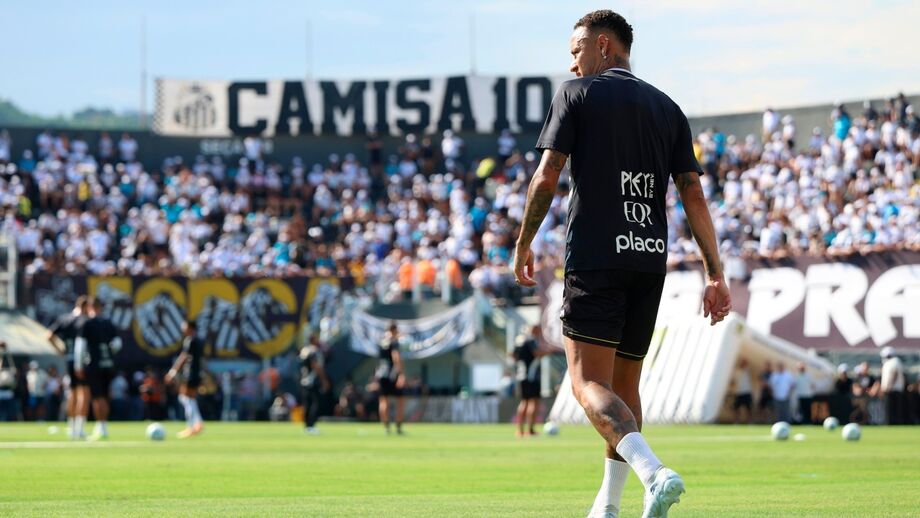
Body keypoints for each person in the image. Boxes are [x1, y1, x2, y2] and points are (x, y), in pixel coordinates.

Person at [512, 10, 731, 518]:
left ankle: (655, 473)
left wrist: (523, 244)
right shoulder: (668, 108)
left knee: (586, 384)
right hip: (648, 262)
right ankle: (608, 508)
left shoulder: (576, 95)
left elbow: (546, 177)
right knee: (623, 392)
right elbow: (693, 191)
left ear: (605, 46)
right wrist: (713, 272)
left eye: (576, 51)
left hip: (595, 258)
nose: (572, 64)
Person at [74, 298, 122, 441]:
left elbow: (80, 346)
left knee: (97, 397)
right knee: (105, 396)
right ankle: (103, 427)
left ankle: (101, 428)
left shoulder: (86, 323)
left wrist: (78, 365)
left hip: (94, 365)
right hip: (108, 365)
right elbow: (118, 344)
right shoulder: (108, 323)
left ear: (89, 307)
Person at [47, 296, 89, 437]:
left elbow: (49, 336)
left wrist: (60, 351)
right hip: (82, 361)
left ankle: (71, 428)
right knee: (83, 394)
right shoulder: (84, 321)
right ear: (85, 307)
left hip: (68, 359)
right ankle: (79, 429)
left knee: (72, 394)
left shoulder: (64, 319)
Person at [165, 320, 205, 438]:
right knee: (188, 399)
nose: (183, 329)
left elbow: (183, 357)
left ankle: (191, 426)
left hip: (191, 374)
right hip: (196, 373)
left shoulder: (190, 340)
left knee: (186, 398)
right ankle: (198, 423)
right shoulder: (199, 341)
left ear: (191, 328)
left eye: (185, 326)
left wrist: (173, 372)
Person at [511, 325, 553, 437]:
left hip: (521, 375)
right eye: (539, 329)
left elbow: (513, 355)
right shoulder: (530, 340)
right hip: (531, 376)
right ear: (534, 330)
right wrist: (550, 351)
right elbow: (537, 353)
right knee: (533, 402)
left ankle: (519, 430)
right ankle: (530, 430)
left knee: (524, 402)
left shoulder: (519, 340)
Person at [376, 322, 406, 435]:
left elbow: (379, 360)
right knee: (401, 401)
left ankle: (386, 427)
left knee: (383, 401)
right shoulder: (394, 342)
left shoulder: (382, 342)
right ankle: (398, 427)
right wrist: (401, 375)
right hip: (392, 373)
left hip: (381, 373)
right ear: (394, 330)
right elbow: (396, 358)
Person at [300, 334, 331, 435]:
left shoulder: (304, 351)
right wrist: (324, 380)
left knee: (307, 404)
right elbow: (316, 366)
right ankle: (311, 425)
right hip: (312, 380)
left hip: (304, 380)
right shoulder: (314, 350)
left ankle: (307, 426)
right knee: (315, 403)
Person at [879, 346, 906, 425]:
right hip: (890, 390)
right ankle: (890, 423)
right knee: (890, 409)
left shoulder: (895, 361)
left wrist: (889, 387)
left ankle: (892, 424)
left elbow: (894, 374)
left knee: (893, 410)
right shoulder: (889, 363)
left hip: (893, 390)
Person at [731, 358, 753, 424]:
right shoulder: (737, 371)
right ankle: (736, 421)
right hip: (739, 393)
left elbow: (748, 365)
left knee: (748, 409)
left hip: (747, 392)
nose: (743, 364)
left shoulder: (747, 371)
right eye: (742, 363)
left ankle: (749, 422)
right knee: (736, 408)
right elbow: (733, 381)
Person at [0, 341, 17, 421]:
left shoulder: (10, 370)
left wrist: (5, 350)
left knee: (9, 410)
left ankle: (8, 420)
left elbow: (10, 361)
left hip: (8, 391)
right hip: (1, 390)